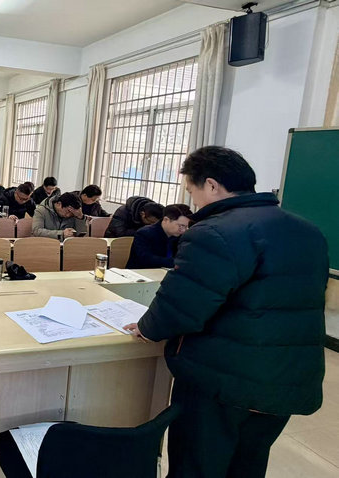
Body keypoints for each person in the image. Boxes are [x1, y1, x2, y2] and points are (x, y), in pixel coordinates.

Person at [124, 147, 328, 478]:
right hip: (286, 377)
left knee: (198, 465)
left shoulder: (215, 232)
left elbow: (183, 304)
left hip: (223, 379)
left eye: (191, 191)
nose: (193, 202)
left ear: (211, 185)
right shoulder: (307, 230)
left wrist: (148, 328)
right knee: (248, 464)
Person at [125, 204, 191, 269]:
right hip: (141, 273)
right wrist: (176, 263)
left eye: (186, 227)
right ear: (166, 220)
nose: (183, 230)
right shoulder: (144, 233)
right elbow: (146, 259)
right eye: (181, 226)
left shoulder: (179, 236)